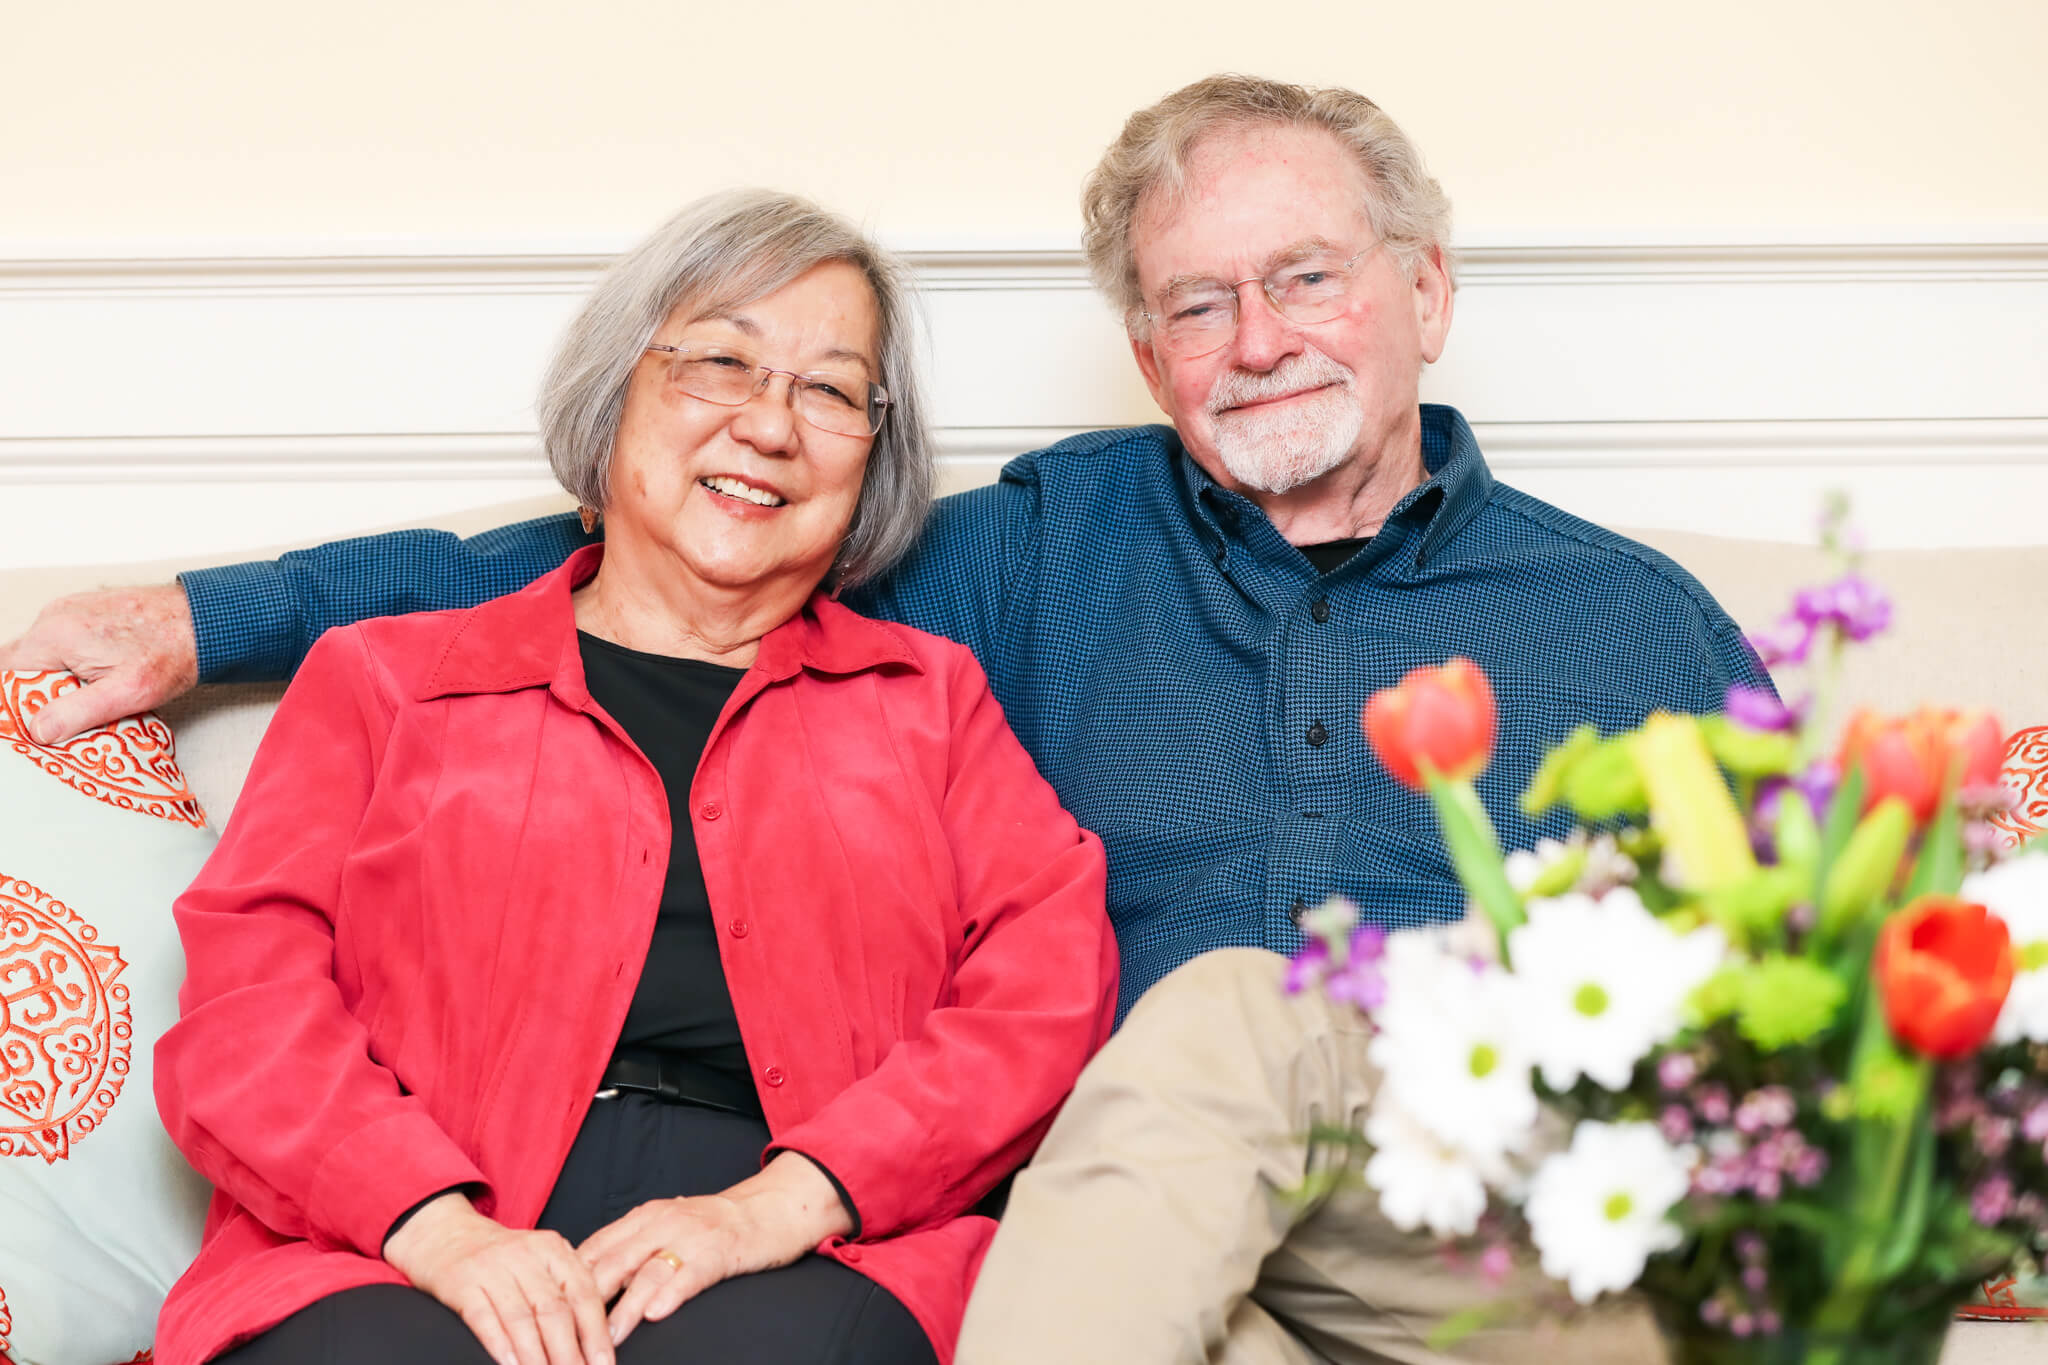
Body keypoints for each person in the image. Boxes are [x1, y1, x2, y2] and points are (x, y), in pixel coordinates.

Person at [10, 77, 1762, 1359]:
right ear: (1147, 357)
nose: (1255, 340)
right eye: (1193, 304)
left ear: (1422, 294)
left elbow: (1802, 981)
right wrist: (208, 614)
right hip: (1140, 1258)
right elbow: (630, 545)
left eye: (1305, 277)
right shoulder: (1037, 554)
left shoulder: (1636, 626)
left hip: (1494, 1232)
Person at [146, 189, 1117, 1365]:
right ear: (616, 402)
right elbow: (250, 1012)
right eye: (721, 362)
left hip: (799, 1243)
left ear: (872, 455)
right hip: (401, 1236)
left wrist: (780, 1207)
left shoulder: (931, 702)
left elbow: (1043, 990)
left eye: (827, 390)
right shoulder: (382, 684)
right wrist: (444, 1236)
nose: (769, 426)